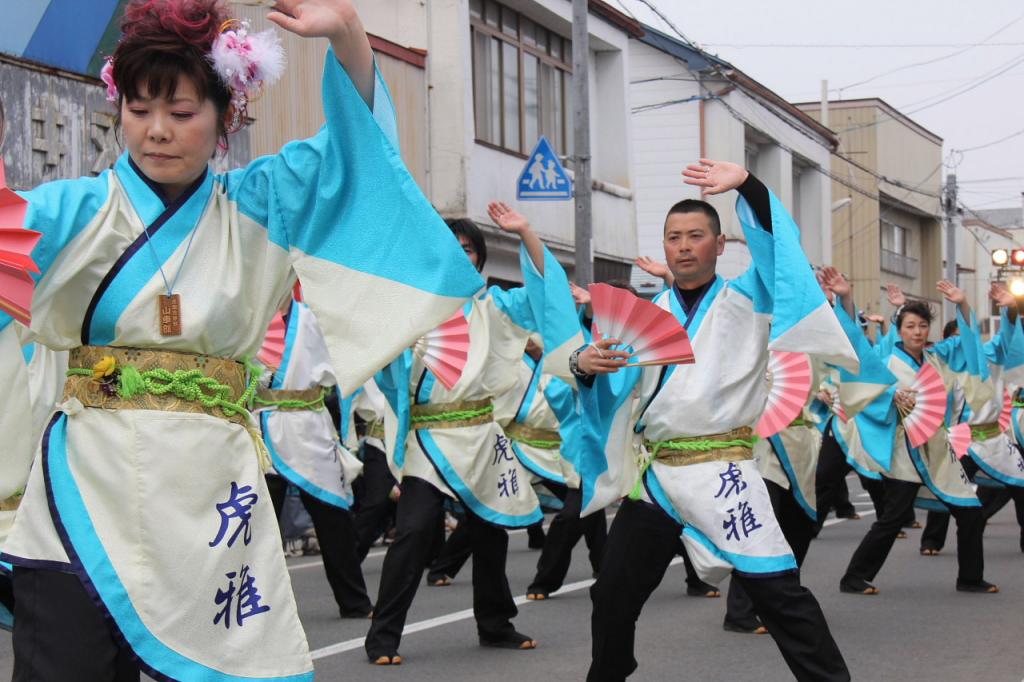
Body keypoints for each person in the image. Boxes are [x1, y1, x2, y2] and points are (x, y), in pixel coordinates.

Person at [0, 1, 483, 679]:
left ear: (227, 116)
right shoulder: (72, 211)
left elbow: (360, 154)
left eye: (182, 111)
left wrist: (346, 31)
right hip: (85, 484)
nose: (157, 131)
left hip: (208, 488)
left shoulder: (262, 203)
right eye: (139, 111)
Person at [574, 158, 855, 682]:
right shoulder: (645, 317)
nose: (683, 246)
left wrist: (748, 185)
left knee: (778, 594)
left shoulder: (750, 297)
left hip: (724, 470)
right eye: (674, 237)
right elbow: (616, 389)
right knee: (611, 591)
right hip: (657, 477)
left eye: (696, 235)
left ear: (719, 245)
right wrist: (584, 367)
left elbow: (779, 253)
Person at [365, 205, 582, 665]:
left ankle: (495, 622)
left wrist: (526, 232)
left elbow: (545, 297)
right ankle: (383, 635)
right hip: (429, 434)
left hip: (482, 432)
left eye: (467, 249)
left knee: (491, 530)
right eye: (450, 248)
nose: (459, 255)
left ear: (479, 260)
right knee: (414, 530)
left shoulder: (495, 307)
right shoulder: (410, 309)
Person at [838, 283, 999, 596]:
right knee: (893, 517)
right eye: (910, 326)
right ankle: (854, 577)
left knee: (971, 511)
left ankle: (969, 577)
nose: (918, 331)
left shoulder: (936, 357)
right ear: (899, 329)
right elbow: (861, 383)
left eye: (923, 325)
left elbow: (968, 345)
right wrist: (891, 395)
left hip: (938, 448)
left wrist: (963, 303)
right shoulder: (887, 361)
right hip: (905, 448)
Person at [256, 294, 372, 618]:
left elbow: (348, 372)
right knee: (257, 523)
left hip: (309, 428)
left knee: (333, 516)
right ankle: (253, 607)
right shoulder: (249, 312)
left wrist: (347, 436)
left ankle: (355, 602)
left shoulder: (315, 316)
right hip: (261, 425)